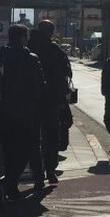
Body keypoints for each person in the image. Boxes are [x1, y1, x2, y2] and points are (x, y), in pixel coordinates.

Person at [0, 24, 45, 203]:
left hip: (3, 113)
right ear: (23, 37)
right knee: (23, 151)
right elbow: (40, 88)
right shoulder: (31, 59)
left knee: (9, 151)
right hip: (25, 113)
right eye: (26, 36)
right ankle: (6, 184)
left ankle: (11, 188)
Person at [28, 19, 72, 185]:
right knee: (52, 135)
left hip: (31, 100)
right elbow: (66, 74)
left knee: (33, 137)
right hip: (51, 99)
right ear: (51, 33)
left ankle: (37, 174)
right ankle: (51, 170)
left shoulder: (28, 47)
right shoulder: (55, 50)